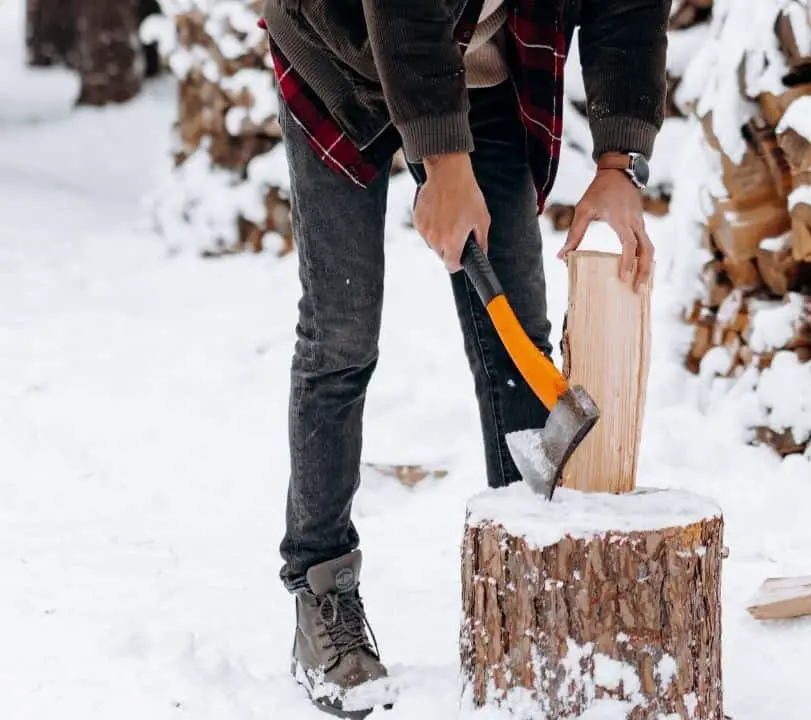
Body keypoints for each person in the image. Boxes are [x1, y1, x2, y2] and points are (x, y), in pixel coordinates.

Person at [258, 0, 669, 714]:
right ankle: (322, 592)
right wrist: (444, 164)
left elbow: (627, 9)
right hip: (341, 45)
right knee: (342, 331)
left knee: (515, 334)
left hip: (482, 67)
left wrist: (618, 162)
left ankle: (530, 591)